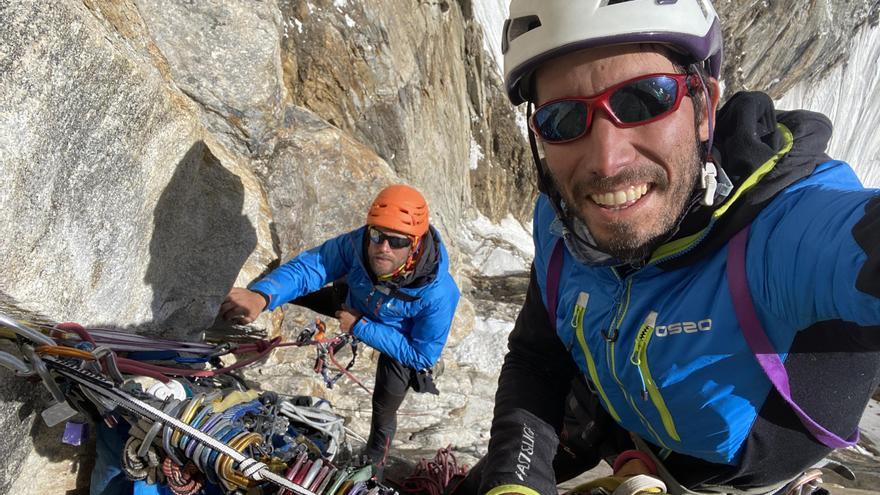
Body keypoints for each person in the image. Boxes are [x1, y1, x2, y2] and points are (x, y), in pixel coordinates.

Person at [462, 1, 880, 494]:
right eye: (562, 119)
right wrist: (516, 482)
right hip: (619, 421)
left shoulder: (781, 233)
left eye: (644, 99)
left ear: (704, 107)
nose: (607, 160)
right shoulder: (559, 226)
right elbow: (539, 356)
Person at [220, 184, 460, 465]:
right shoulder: (358, 245)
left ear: (415, 245)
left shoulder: (439, 293)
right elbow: (313, 267)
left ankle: (373, 469)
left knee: (383, 411)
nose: (383, 248)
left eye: (397, 242)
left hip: (396, 337)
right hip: (356, 301)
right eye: (377, 235)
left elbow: (422, 355)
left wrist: (359, 326)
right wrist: (261, 296)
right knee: (294, 288)